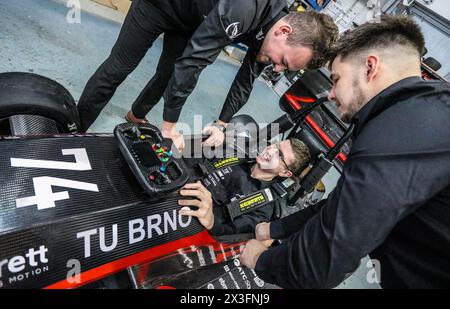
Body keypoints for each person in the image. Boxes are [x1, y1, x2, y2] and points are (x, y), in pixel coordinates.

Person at [240, 15, 450, 288]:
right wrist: (274, 228)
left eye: (336, 79)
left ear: (369, 68)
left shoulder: (394, 131)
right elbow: (340, 206)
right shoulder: (425, 111)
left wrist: (261, 260)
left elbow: (319, 265)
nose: (330, 94)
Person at [77, 0, 338, 150]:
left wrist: (222, 123)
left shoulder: (275, 30)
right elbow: (193, 61)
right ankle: (74, 131)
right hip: (158, 5)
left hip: (191, 19)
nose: (277, 68)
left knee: (167, 75)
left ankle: (137, 114)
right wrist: (169, 128)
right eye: (282, 62)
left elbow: (245, 81)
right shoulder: (244, 8)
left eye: (285, 69)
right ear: (284, 32)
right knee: (119, 68)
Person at [178, 138, 311, 235]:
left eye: (280, 155)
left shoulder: (262, 209)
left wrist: (211, 222)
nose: (270, 151)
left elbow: (228, 234)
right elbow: (188, 157)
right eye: (275, 146)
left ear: (284, 173)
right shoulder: (234, 153)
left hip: (190, 223)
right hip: (176, 186)